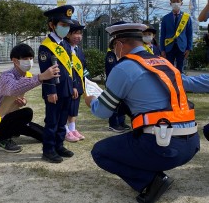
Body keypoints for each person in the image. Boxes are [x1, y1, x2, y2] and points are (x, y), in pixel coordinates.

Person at [84, 21, 209, 203]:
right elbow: (186, 85)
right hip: (192, 144)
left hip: (163, 146)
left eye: (113, 47)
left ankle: (152, 181)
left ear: (119, 44)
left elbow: (103, 112)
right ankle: (153, 169)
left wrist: (92, 101)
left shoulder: (123, 68)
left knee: (100, 152)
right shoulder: (163, 63)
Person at [0, 43, 60, 153]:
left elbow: (19, 93)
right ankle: (3, 140)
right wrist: (41, 77)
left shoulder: (26, 75)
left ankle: (13, 131)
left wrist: (23, 101)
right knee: (27, 113)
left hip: (11, 117)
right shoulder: (6, 76)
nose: (29, 61)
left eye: (31, 58)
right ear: (15, 60)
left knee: (47, 136)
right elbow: (13, 88)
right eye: (25, 58)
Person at [38, 5, 76, 163]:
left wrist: (73, 85)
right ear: (52, 25)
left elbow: (70, 68)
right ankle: (48, 149)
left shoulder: (66, 45)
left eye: (68, 25)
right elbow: (46, 70)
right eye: (62, 25)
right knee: (52, 121)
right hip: (54, 91)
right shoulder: (45, 46)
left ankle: (59, 145)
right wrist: (50, 91)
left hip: (66, 89)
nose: (66, 28)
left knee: (62, 121)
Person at [64, 19, 87, 142]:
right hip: (69, 85)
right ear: (68, 34)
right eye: (75, 33)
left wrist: (86, 82)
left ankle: (72, 129)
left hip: (78, 84)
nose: (78, 36)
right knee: (66, 108)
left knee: (74, 109)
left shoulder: (78, 50)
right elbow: (67, 70)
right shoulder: (65, 49)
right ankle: (65, 130)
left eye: (80, 33)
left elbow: (84, 67)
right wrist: (72, 85)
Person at [160, 0, 193, 73]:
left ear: (181, 3)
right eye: (173, 1)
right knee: (169, 69)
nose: (175, 3)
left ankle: (181, 84)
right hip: (168, 47)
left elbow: (189, 34)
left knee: (180, 69)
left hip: (182, 47)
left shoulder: (187, 18)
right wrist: (162, 49)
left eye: (177, 1)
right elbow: (162, 35)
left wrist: (189, 48)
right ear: (170, 3)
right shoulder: (165, 18)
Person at [105, 47, 130, 133]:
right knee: (113, 104)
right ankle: (113, 124)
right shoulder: (111, 55)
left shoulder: (123, 55)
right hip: (114, 83)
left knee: (122, 103)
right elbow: (111, 71)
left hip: (122, 83)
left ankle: (121, 121)